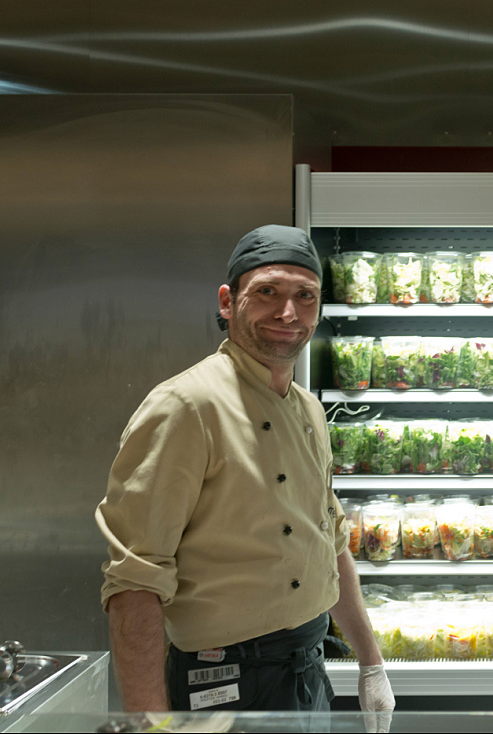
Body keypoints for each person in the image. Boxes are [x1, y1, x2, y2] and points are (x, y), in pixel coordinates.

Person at [95, 225, 394, 728]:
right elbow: (135, 581)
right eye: (268, 293)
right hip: (223, 682)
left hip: (307, 670)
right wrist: (152, 725)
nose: (288, 313)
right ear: (228, 302)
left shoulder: (308, 410)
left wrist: (371, 663)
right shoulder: (185, 406)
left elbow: (330, 538)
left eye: (305, 296)